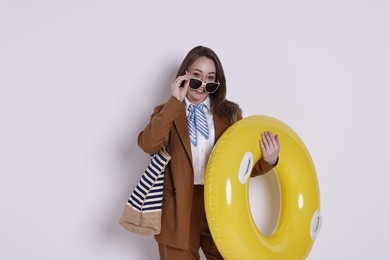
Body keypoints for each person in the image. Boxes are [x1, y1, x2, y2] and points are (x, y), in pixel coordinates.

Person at [137, 46, 280, 260]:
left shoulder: (230, 114)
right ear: (184, 75)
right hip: (178, 209)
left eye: (210, 78)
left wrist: (269, 161)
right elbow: (148, 144)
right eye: (196, 76)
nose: (202, 84)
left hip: (220, 204)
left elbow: (240, 166)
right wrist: (175, 102)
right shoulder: (165, 112)